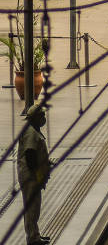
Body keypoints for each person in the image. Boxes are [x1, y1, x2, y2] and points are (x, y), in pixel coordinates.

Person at [17, 104, 51, 245]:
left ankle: (35, 235)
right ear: (35, 118)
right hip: (30, 176)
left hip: (31, 175)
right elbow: (30, 154)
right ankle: (32, 238)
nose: (44, 118)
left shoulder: (32, 130)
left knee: (34, 207)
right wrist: (38, 173)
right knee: (32, 208)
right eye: (41, 116)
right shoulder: (31, 132)